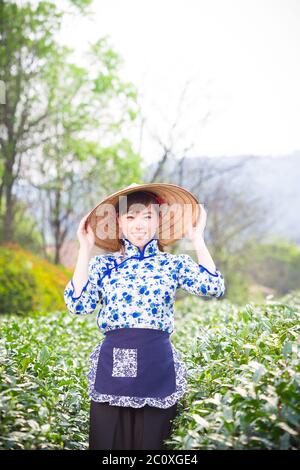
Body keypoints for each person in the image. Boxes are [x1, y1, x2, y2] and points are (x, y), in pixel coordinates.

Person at [63, 184, 225, 450]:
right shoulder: (104, 265)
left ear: (158, 220)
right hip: (117, 360)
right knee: (112, 443)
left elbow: (213, 287)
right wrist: (85, 249)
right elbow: (78, 305)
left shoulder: (173, 264)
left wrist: (198, 240)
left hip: (156, 362)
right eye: (130, 217)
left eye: (147, 217)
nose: (139, 225)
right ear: (119, 222)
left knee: (152, 444)